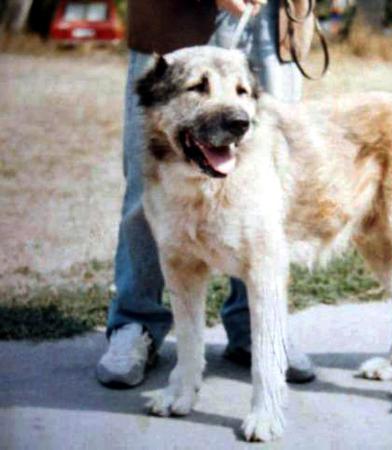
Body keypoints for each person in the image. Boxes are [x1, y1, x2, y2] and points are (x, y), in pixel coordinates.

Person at [96, 0, 315, 388]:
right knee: (151, 183)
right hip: (176, 23)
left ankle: (257, 330)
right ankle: (136, 323)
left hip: (273, 22)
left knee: (266, 189)